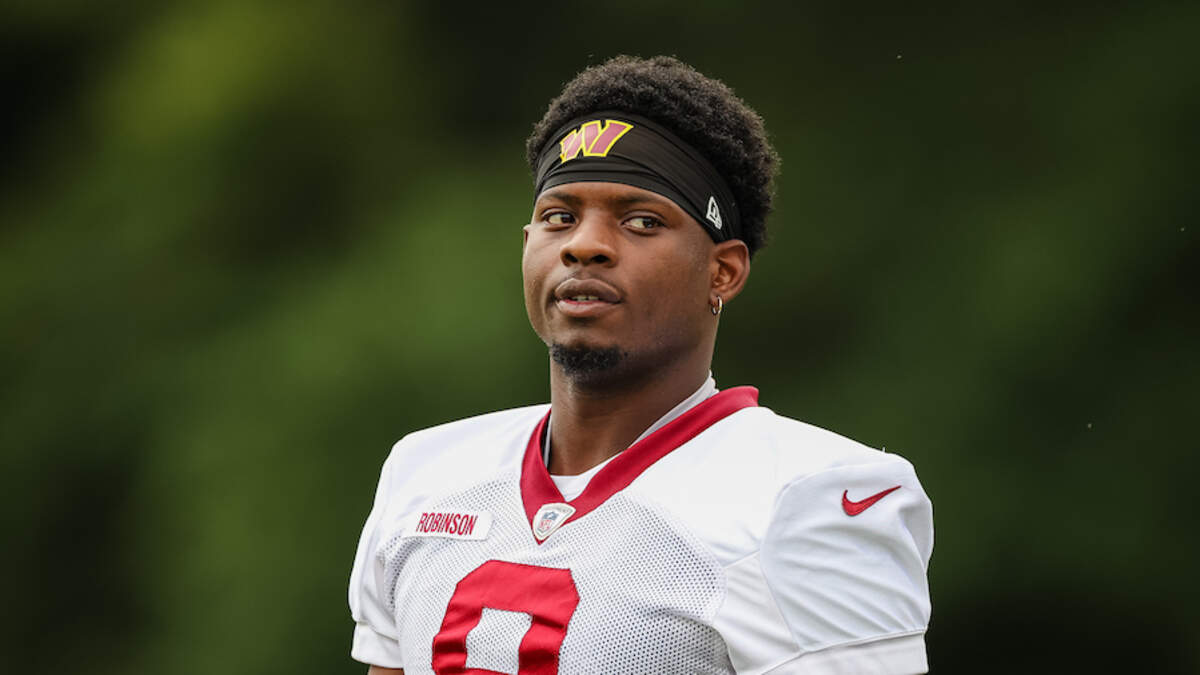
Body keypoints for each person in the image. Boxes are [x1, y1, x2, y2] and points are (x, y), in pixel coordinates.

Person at [348, 55, 933, 674]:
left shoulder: (808, 496)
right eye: (559, 217)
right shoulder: (426, 470)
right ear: (527, 247)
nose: (585, 245)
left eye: (642, 221)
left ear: (722, 271)